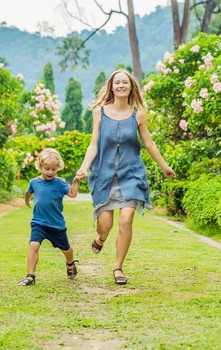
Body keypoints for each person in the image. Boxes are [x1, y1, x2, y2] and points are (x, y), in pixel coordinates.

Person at [75, 69, 175, 285]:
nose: (121, 85)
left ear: (131, 87)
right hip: (104, 176)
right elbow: (93, 144)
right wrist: (84, 167)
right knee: (105, 224)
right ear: (111, 86)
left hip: (131, 175)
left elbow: (149, 143)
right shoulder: (99, 113)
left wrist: (164, 166)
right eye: (117, 82)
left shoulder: (138, 114)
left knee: (126, 219)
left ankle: (118, 267)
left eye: (125, 82)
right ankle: (101, 238)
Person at [18, 148, 81, 286]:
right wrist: (27, 200)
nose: (50, 172)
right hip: (38, 222)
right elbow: (28, 192)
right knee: (33, 245)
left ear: (58, 167)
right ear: (40, 166)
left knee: (66, 249)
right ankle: (30, 276)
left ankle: (70, 263)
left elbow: (72, 194)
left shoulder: (59, 183)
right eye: (47, 168)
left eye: (54, 169)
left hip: (56, 224)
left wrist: (76, 181)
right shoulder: (34, 182)